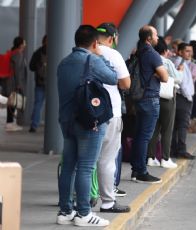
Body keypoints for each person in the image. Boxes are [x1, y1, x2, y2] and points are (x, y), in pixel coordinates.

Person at [56, 25, 117, 227]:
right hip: (88, 122)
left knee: (68, 167)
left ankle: (65, 211)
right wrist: (101, 56)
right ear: (94, 43)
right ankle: (83, 214)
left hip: (66, 121)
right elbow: (113, 77)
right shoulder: (92, 60)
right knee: (86, 166)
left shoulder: (63, 63)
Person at [95, 22, 131, 213]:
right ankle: (108, 202)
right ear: (112, 38)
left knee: (85, 160)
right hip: (110, 113)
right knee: (106, 160)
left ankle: (82, 200)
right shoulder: (112, 54)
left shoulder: (86, 52)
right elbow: (126, 83)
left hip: (87, 113)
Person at [130, 25, 168, 183]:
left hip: (139, 98)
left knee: (139, 136)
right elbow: (165, 77)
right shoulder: (152, 54)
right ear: (148, 38)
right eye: (156, 35)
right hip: (150, 98)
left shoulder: (138, 52)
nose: (158, 38)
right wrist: (157, 74)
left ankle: (135, 170)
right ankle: (141, 172)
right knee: (145, 137)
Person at [147, 36, 182, 168]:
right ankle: (165, 158)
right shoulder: (166, 62)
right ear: (165, 50)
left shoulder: (149, 59)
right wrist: (181, 71)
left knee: (154, 128)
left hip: (153, 96)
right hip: (167, 98)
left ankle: (151, 157)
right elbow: (178, 79)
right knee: (167, 129)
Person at [171, 43, 196, 160]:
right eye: (186, 51)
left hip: (182, 98)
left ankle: (174, 149)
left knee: (177, 125)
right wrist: (188, 97)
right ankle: (181, 150)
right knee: (182, 124)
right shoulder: (180, 63)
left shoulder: (183, 63)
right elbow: (182, 82)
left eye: (190, 51)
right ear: (180, 52)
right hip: (183, 98)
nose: (189, 53)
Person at [2, 36, 27, 131]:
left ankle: (10, 122)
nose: (25, 44)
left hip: (10, 81)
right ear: (20, 44)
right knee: (12, 102)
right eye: (24, 43)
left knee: (11, 101)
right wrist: (19, 84)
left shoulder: (13, 53)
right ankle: (9, 123)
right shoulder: (18, 54)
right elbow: (17, 71)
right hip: (13, 82)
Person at [28, 35, 47, 133]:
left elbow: (31, 67)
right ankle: (53, 126)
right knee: (55, 105)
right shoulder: (55, 51)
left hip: (40, 83)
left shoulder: (38, 53)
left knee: (38, 104)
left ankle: (34, 125)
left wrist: (38, 67)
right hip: (51, 84)